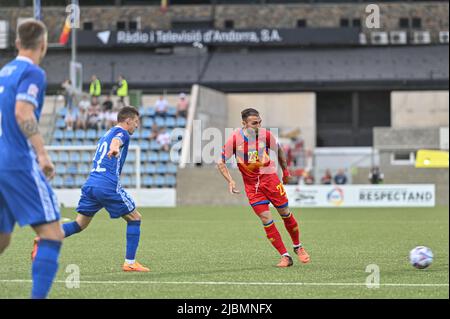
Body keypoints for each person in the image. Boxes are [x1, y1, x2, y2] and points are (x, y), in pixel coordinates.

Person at [33, 107, 149, 272]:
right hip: (107, 185)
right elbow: (118, 140)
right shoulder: (121, 133)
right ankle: (130, 263)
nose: (137, 126)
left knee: (79, 224)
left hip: (91, 184)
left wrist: (114, 146)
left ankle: (45, 237)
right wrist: (115, 148)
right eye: (136, 122)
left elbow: (113, 140)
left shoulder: (106, 134)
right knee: (135, 218)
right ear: (128, 120)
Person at [0, 19, 64, 299]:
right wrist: (42, 153)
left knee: (2, 239)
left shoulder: (4, 73)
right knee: (52, 234)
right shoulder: (33, 72)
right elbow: (23, 113)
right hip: (16, 163)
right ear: (43, 44)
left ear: (16, 43)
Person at [217, 108, 310, 267]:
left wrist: (285, 171)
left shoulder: (265, 135)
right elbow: (220, 162)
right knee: (266, 219)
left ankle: (298, 246)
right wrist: (230, 181)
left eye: (260, 122)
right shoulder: (234, 140)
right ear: (244, 124)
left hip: (270, 181)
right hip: (253, 187)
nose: (258, 126)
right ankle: (285, 256)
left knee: (285, 214)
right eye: (254, 123)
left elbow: (279, 150)